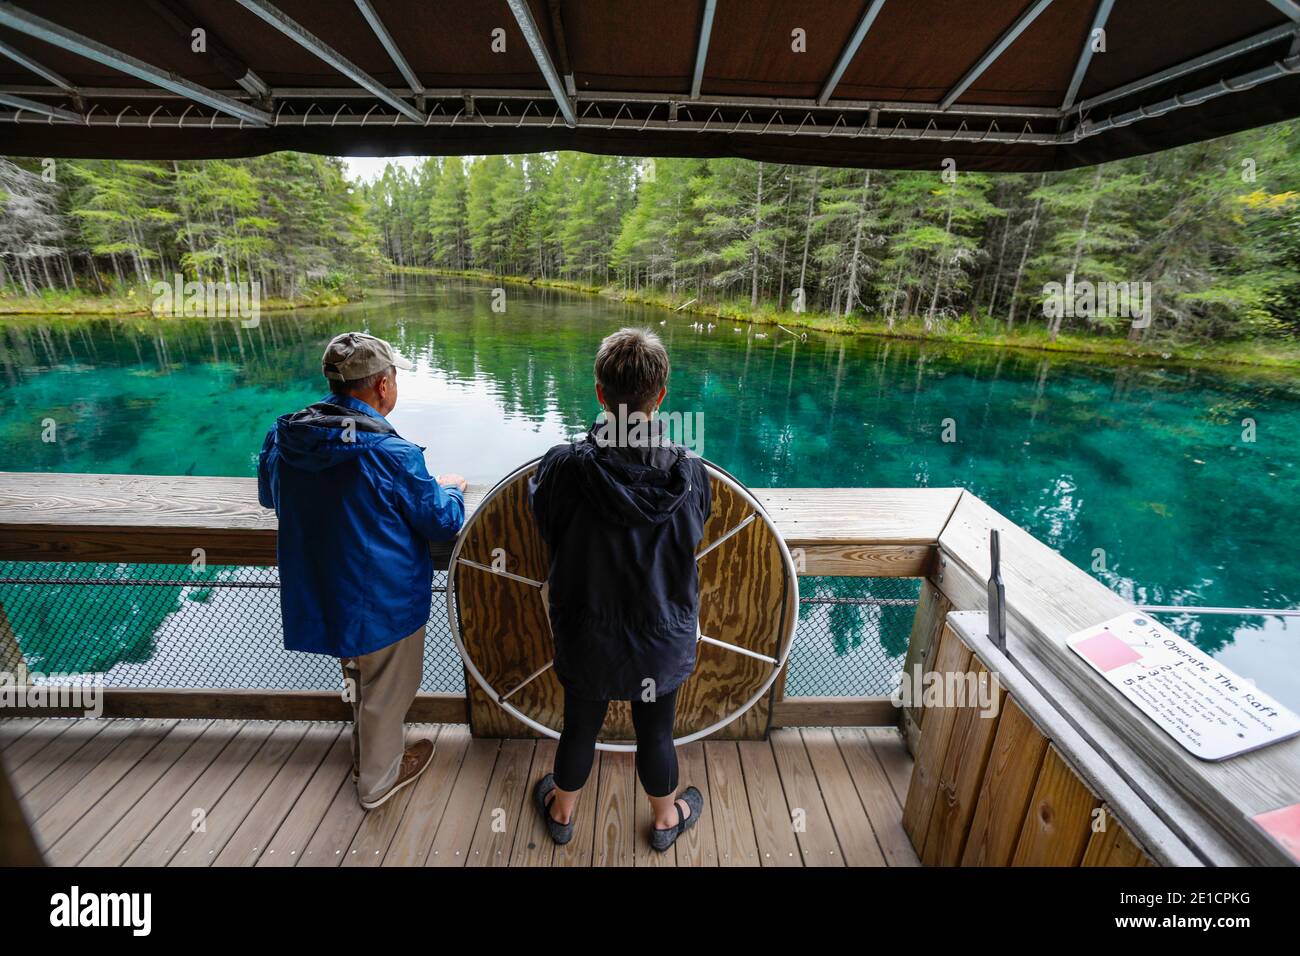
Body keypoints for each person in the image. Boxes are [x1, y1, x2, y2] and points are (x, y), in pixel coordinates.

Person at [257, 331, 466, 810]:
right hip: (382, 600)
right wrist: (451, 487)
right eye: (393, 378)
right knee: (388, 692)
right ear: (382, 386)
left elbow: (272, 498)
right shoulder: (392, 453)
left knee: (359, 679)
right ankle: (376, 782)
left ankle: (366, 754)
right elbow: (442, 519)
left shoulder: (286, 433)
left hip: (322, 591)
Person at [529, 327, 711, 852]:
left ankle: (562, 811)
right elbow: (696, 529)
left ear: (600, 392)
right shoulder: (691, 473)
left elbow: (545, 518)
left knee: (580, 725)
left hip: (589, 630)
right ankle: (663, 820)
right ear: (661, 395)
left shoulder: (564, 467)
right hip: (663, 631)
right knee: (656, 731)